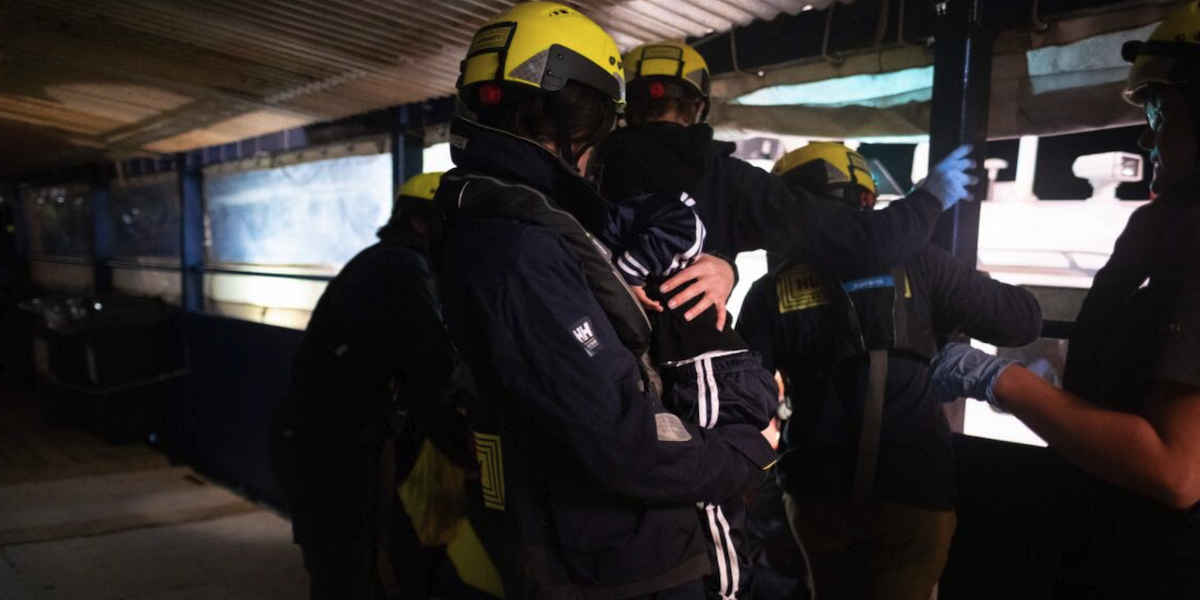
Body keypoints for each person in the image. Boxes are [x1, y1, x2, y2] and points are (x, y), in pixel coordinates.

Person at [432, 3, 776, 598]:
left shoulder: (505, 215)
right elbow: (622, 441)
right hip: (616, 568)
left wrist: (719, 265)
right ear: (577, 115)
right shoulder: (519, 249)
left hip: (584, 547)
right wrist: (745, 451)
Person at [930, 5, 1200, 597]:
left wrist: (997, 379)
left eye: (1158, 109)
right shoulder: (1169, 229)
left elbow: (1176, 470)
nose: (1146, 134)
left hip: (1155, 566)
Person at [736, 143, 1042, 600]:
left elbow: (744, 398)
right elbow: (1021, 322)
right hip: (912, 493)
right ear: (865, 199)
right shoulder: (921, 264)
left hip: (816, 496)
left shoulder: (768, 292)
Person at [588, 40, 979, 331]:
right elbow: (870, 240)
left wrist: (726, 264)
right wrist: (932, 195)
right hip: (682, 375)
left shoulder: (584, 168)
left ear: (624, 105)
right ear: (700, 107)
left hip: (582, 351)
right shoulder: (731, 181)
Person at [271, 172, 477, 600]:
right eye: (451, 225)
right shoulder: (402, 266)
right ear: (420, 223)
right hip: (327, 446)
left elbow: (419, 375)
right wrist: (469, 445)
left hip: (329, 439)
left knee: (367, 558)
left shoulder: (383, 263)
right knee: (345, 570)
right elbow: (433, 368)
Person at [603, 189, 781, 600]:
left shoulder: (630, 210)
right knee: (707, 497)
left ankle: (728, 593)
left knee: (712, 499)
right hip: (701, 367)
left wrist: (628, 274)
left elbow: (685, 218)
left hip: (709, 366)